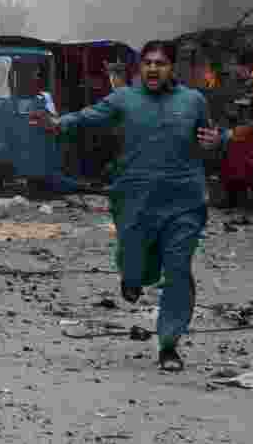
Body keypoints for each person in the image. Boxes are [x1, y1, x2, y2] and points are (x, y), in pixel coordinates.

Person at [29, 40, 227, 372]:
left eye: (160, 63)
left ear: (172, 68)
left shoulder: (193, 101)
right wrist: (58, 124)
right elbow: (89, 117)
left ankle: (168, 344)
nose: (153, 68)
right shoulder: (124, 99)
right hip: (136, 199)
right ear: (139, 68)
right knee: (133, 260)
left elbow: (211, 139)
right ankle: (131, 277)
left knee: (178, 270)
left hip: (184, 201)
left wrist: (218, 142)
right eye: (147, 63)